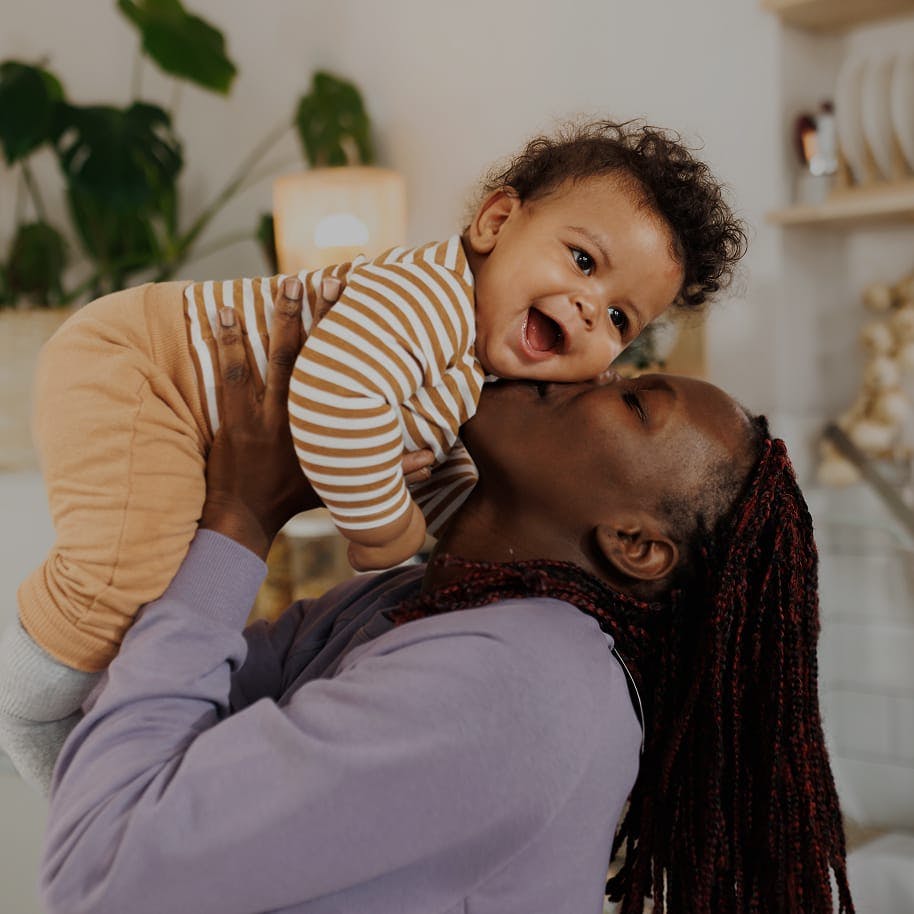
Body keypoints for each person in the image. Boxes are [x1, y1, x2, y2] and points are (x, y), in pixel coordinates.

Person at [40, 287, 854, 913]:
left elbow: (98, 874)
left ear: (635, 545)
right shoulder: (415, 601)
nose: (598, 365)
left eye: (636, 398)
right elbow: (125, 740)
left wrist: (241, 524)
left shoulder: (523, 686)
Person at [0, 119, 748, 792]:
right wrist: (387, 531)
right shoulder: (426, 297)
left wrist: (446, 534)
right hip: (143, 368)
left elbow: (450, 476)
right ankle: (26, 708)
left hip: (181, 405)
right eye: (583, 260)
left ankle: (78, 743)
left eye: (620, 317)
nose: (591, 307)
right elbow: (335, 397)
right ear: (495, 222)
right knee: (122, 572)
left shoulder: (473, 369)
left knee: (153, 589)